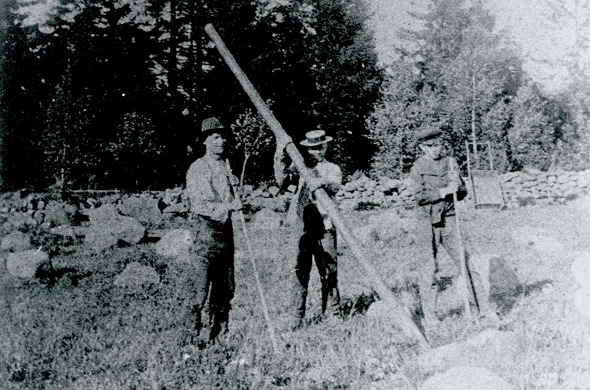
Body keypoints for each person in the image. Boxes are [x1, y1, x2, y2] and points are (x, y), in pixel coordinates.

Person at [409, 127, 494, 330]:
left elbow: (462, 192)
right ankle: (430, 316)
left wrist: (459, 187)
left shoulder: (451, 163)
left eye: (437, 145)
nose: (435, 149)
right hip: (426, 222)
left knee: (465, 264)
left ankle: (484, 309)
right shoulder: (417, 167)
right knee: (428, 269)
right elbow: (419, 196)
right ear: (422, 147)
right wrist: (442, 191)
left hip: (449, 218)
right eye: (430, 146)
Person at [274, 130, 342, 329]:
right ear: (307, 149)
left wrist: (322, 182)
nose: (316, 152)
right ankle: (296, 317)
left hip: (325, 225)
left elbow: (334, 186)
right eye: (312, 149)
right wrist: (280, 154)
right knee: (300, 271)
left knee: (329, 270)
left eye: (320, 148)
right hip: (302, 227)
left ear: (326, 147)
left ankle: (332, 313)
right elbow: (281, 180)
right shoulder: (299, 167)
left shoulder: (332, 168)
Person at [185, 117, 242, 342]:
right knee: (200, 288)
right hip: (205, 231)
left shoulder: (226, 166)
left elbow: (230, 198)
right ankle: (192, 337)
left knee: (225, 286)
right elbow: (202, 204)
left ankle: (219, 335)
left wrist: (235, 189)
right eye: (215, 137)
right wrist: (229, 205)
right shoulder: (199, 167)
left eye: (223, 137)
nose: (221, 141)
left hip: (224, 231)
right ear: (206, 141)